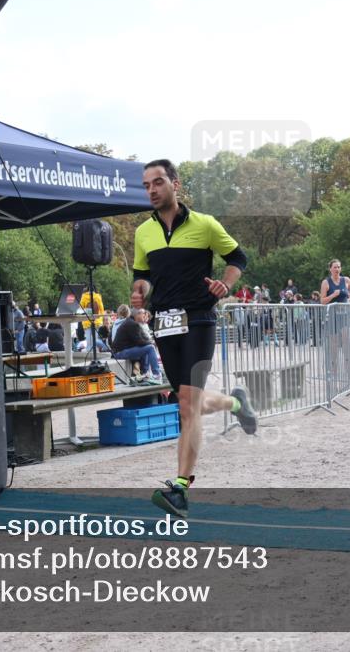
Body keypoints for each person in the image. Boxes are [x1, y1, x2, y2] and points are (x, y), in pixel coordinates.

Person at [132, 159, 257, 518]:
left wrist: (225, 284)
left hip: (199, 318)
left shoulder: (205, 224)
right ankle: (235, 404)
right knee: (189, 404)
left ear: (175, 184)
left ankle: (180, 489)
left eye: (158, 182)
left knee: (188, 404)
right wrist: (139, 293)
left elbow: (238, 258)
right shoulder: (143, 232)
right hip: (164, 323)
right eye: (146, 185)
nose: (152, 190)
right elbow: (142, 276)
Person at [112, 308, 162, 381]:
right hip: (120, 353)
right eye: (143, 313)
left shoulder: (131, 322)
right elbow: (140, 342)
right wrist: (152, 343)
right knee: (150, 348)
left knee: (148, 347)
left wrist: (150, 342)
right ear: (137, 314)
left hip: (121, 351)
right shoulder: (132, 324)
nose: (145, 315)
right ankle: (156, 374)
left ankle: (145, 373)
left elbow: (143, 339)